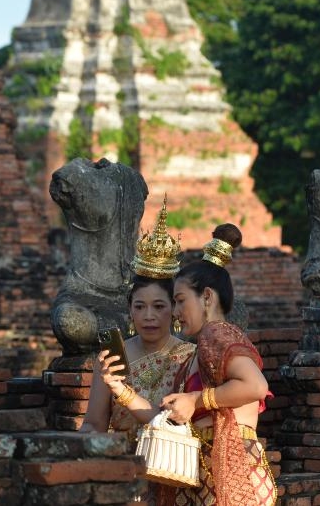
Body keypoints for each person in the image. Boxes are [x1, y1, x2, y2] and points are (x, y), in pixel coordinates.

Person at [83, 199, 194, 502]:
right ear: (130, 311)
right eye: (140, 306)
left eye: (159, 307)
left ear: (174, 310)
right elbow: (94, 422)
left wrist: (123, 391)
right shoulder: (110, 358)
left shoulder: (190, 357)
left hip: (170, 472)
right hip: (123, 477)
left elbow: (173, 422)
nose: (149, 316)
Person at [158, 223, 276, 506]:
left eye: (180, 301)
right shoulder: (208, 342)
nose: (175, 313)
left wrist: (196, 399)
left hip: (231, 477)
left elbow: (256, 386)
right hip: (228, 474)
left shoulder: (216, 333)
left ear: (207, 297)